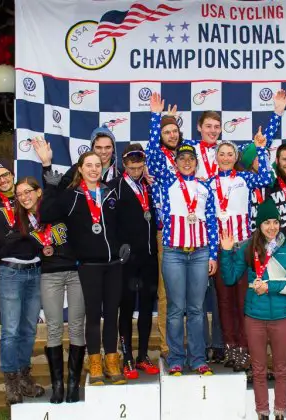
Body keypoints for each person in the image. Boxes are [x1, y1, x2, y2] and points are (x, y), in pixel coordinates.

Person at [39, 152, 126, 386]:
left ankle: (111, 360)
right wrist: (52, 187)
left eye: (98, 165)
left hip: (114, 265)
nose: (94, 169)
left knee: (111, 316)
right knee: (93, 318)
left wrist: (124, 247)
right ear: (80, 169)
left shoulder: (110, 192)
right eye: (89, 165)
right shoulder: (71, 196)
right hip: (89, 266)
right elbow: (45, 214)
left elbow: (121, 224)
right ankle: (95, 362)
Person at [220, 199, 286, 420]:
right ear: (259, 225)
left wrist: (270, 286)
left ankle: (281, 412)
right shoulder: (248, 247)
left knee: (282, 368)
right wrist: (226, 252)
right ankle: (262, 412)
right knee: (258, 369)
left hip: (282, 316)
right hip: (254, 316)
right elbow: (230, 278)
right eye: (266, 223)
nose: (272, 227)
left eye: (275, 222)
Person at [149, 139, 218, 376]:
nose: (187, 162)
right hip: (174, 252)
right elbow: (153, 158)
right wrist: (155, 118)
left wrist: (213, 255)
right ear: (175, 163)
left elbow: (211, 223)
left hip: (200, 253)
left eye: (190, 159)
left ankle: (198, 358)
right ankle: (176, 357)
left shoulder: (204, 188)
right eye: (182, 159)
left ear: (196, 163)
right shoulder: (168, 182)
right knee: (176, 308)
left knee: (197, 308)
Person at [30, 138, 87, 404]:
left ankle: (73, 383)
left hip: (77, 272)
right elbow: (48, 203)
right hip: (51, 272)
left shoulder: (88, 199)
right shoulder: (58, 197)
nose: (78, 179)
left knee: (77, 326)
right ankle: (57, 386)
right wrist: (46, 165)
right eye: (75, 174)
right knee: (53, 327)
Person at [211, 128, 272, 371]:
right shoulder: (207, 183)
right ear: (216, 157)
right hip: (221, 248)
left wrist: (259, 149)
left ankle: (246, 351)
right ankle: (231, 349)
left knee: (242, 300)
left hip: (243, 246)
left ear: (235, 157)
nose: (226, 157)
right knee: (224, 302)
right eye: (222, 154)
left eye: (230, 154)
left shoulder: (245, 179)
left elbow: (266, 177)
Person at [0, 177, 46, 405]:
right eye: (19, 194)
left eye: (28, 191)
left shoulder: (43, 217)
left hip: (36, 272)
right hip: (10, 273)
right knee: (10, 330)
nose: (24, 196)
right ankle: (11, 382)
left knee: (29, 329)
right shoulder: (13, 219)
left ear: (38, 192)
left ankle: (24, 377)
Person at [110, 144, 161, 379]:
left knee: (147, 307)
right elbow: (109, 223)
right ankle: (127, 357)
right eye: (132, 166)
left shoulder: (148, 186)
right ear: (123, 164)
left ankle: (142, 356)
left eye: (140, 166)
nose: (136, 170)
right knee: (127, 308)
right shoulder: (115, 188)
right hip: (127, 261)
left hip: (149, 258)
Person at [146, 98, 184, 361]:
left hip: (192, 233)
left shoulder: (186, 156)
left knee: (191, 296)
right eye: (166, 132)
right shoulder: (158, 160)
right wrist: (155, 118)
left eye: (174, 131)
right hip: (166, 233)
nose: (172, 135)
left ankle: (191, 344)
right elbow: (150, 149)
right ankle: (168, 346)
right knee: (166, 292)